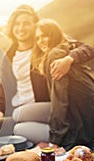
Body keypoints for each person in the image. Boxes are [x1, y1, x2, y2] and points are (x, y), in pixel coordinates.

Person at [0, 4, 94, 144]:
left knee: (2, 129)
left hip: (44, 106)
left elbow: (85, 48)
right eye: (17, 24)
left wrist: (69, 59)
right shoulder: (10, 55)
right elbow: (3, 86)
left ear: (35, 25)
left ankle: (49, 137)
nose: (21, 28)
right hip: (19, 108)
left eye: (26, 23)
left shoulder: (48, 46)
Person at [32, 18, 94, 150]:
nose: (40, 41)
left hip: (79, 127)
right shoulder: (66, 48)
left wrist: (55, 140)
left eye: (44, 36)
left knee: (20, 128)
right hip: (86, 116)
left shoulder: (55, 56)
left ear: (54, 34)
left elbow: (59, 100)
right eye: (37, 38)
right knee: (19, 114)